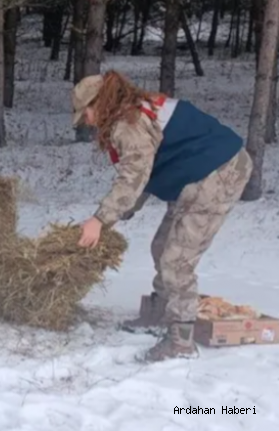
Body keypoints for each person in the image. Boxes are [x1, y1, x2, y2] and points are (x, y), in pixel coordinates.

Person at [70, 70, 252, 362]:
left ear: (99, 104)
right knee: (161, 246)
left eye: (86, 114)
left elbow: (134, 177)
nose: (87, 122)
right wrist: (118, 213)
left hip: (218, 172)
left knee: (177, 260)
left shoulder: (127, 123)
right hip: (197, 172)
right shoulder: (131, 111)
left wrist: (100, 220)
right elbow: (143, 174)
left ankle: (181, 341)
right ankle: (161, 314)